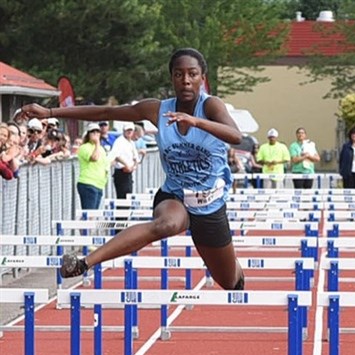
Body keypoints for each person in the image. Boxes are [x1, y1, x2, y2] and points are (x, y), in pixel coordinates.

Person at [18, 47, 245, 290]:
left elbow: (235, 136)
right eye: (179, 74)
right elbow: (107, 111)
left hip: (209, 202)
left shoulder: (211, 106)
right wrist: (50, 112)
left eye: (192, 74)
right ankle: (84, 263)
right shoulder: (157, 110)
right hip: (175, 195)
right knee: (166, 224)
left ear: (202, 78)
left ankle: (233, 266)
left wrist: (197, 121)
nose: (186, 80)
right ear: (172, 78)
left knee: (231, 282)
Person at [75, 123, 110, 210]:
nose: (95, 134)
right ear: (88, 134)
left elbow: (105, 164)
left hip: (99, 185)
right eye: (92, 132)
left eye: (97, 131)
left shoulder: (101, 149)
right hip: (88, 183)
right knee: (89, 215)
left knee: (94, 215)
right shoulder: (84, 147)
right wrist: (97, 143)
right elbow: (94, 158)